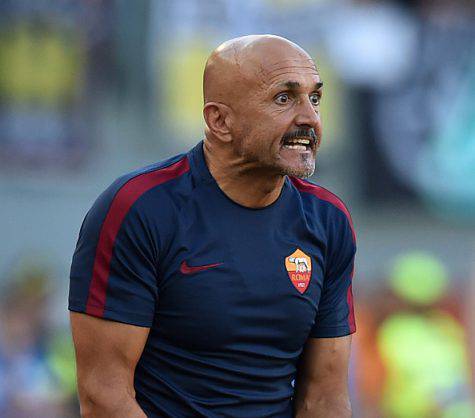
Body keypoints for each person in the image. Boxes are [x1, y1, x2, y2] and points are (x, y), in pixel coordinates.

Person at [69, 34, 356, 418]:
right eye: (284, 98)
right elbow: (103, 396)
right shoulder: (139, 208)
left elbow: (324, 399)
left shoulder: (328, 220)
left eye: (315, 98)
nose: (310, 118)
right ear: (219, 120)